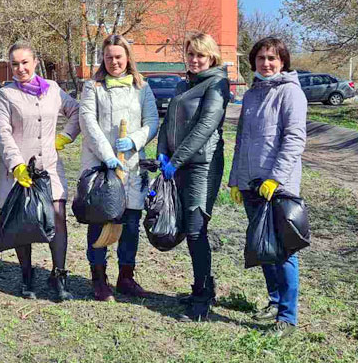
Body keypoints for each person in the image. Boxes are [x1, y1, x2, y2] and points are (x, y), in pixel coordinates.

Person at [229, 37, 307, 338]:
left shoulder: (290, 93)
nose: (266, 63)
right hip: (251, 185)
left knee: (285, 250)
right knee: (264, 247)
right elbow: (241, 141)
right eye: (261, 58)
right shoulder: (250, 95)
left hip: (278, 188)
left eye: (272, 58)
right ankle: (274, 302)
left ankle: (287, 317)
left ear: (283, 61)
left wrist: (275, 178)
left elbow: (294, 140)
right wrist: (235, 179)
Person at [0, 41, 80, 301]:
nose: (20, 68)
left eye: (25, 62)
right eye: (15, 64)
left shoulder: (52, 89)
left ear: (35, 62)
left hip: (50, 167)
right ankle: (27, 274)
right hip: (21, 169)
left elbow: (76, 111)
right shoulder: (7, 95)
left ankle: (59, 275)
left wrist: (65, 136)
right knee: (24, 220)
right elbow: (3, 133)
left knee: (57, 216)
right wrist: (16, 164)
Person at [156, 33, 230, 321]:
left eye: (201, 55)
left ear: (211, 57)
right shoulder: (183, 84)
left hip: (202, 165)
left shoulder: (217, 84)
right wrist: (162, 152)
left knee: (197, 228)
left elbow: (205, 127)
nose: (195, 60)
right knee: (187, 227)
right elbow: (168, 122)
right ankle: (203, 286)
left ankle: (202, 298)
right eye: (190, 54)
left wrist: (175, 160)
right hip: (178, 165)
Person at [79, 34, 158, 301]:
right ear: (103, 58)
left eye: (119, 57)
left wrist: (134, 141)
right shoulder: (93, 87)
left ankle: (126, 276)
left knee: (131, 224)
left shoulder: (142, 87)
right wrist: (106, 154)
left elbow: (152, 122)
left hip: (132, 167)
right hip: (102, 166)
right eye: (109, 57)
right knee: (99, 223)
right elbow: (88, 122)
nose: (114, 62)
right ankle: (98, 279)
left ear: (127, 58)